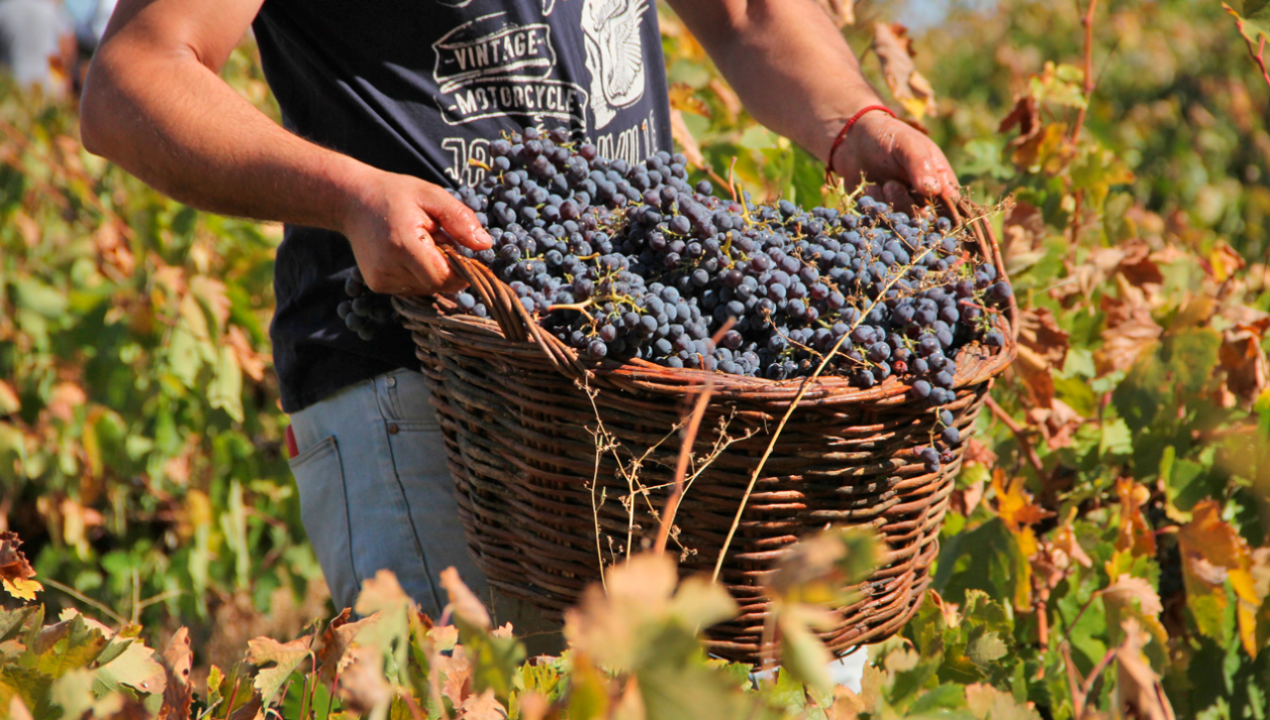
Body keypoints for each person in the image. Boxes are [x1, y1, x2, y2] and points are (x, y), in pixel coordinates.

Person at [80, 0, 957, 681]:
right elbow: (134, 79)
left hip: (644, 376)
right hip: (425, 389)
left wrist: (852, 118)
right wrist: (351, 195)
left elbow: (750, 14)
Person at [0, 0, 74, 95]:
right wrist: (64, 75)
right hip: (48, 86)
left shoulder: (4, 10)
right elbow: (67, 48)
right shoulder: (49, 10)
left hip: (13, 85)